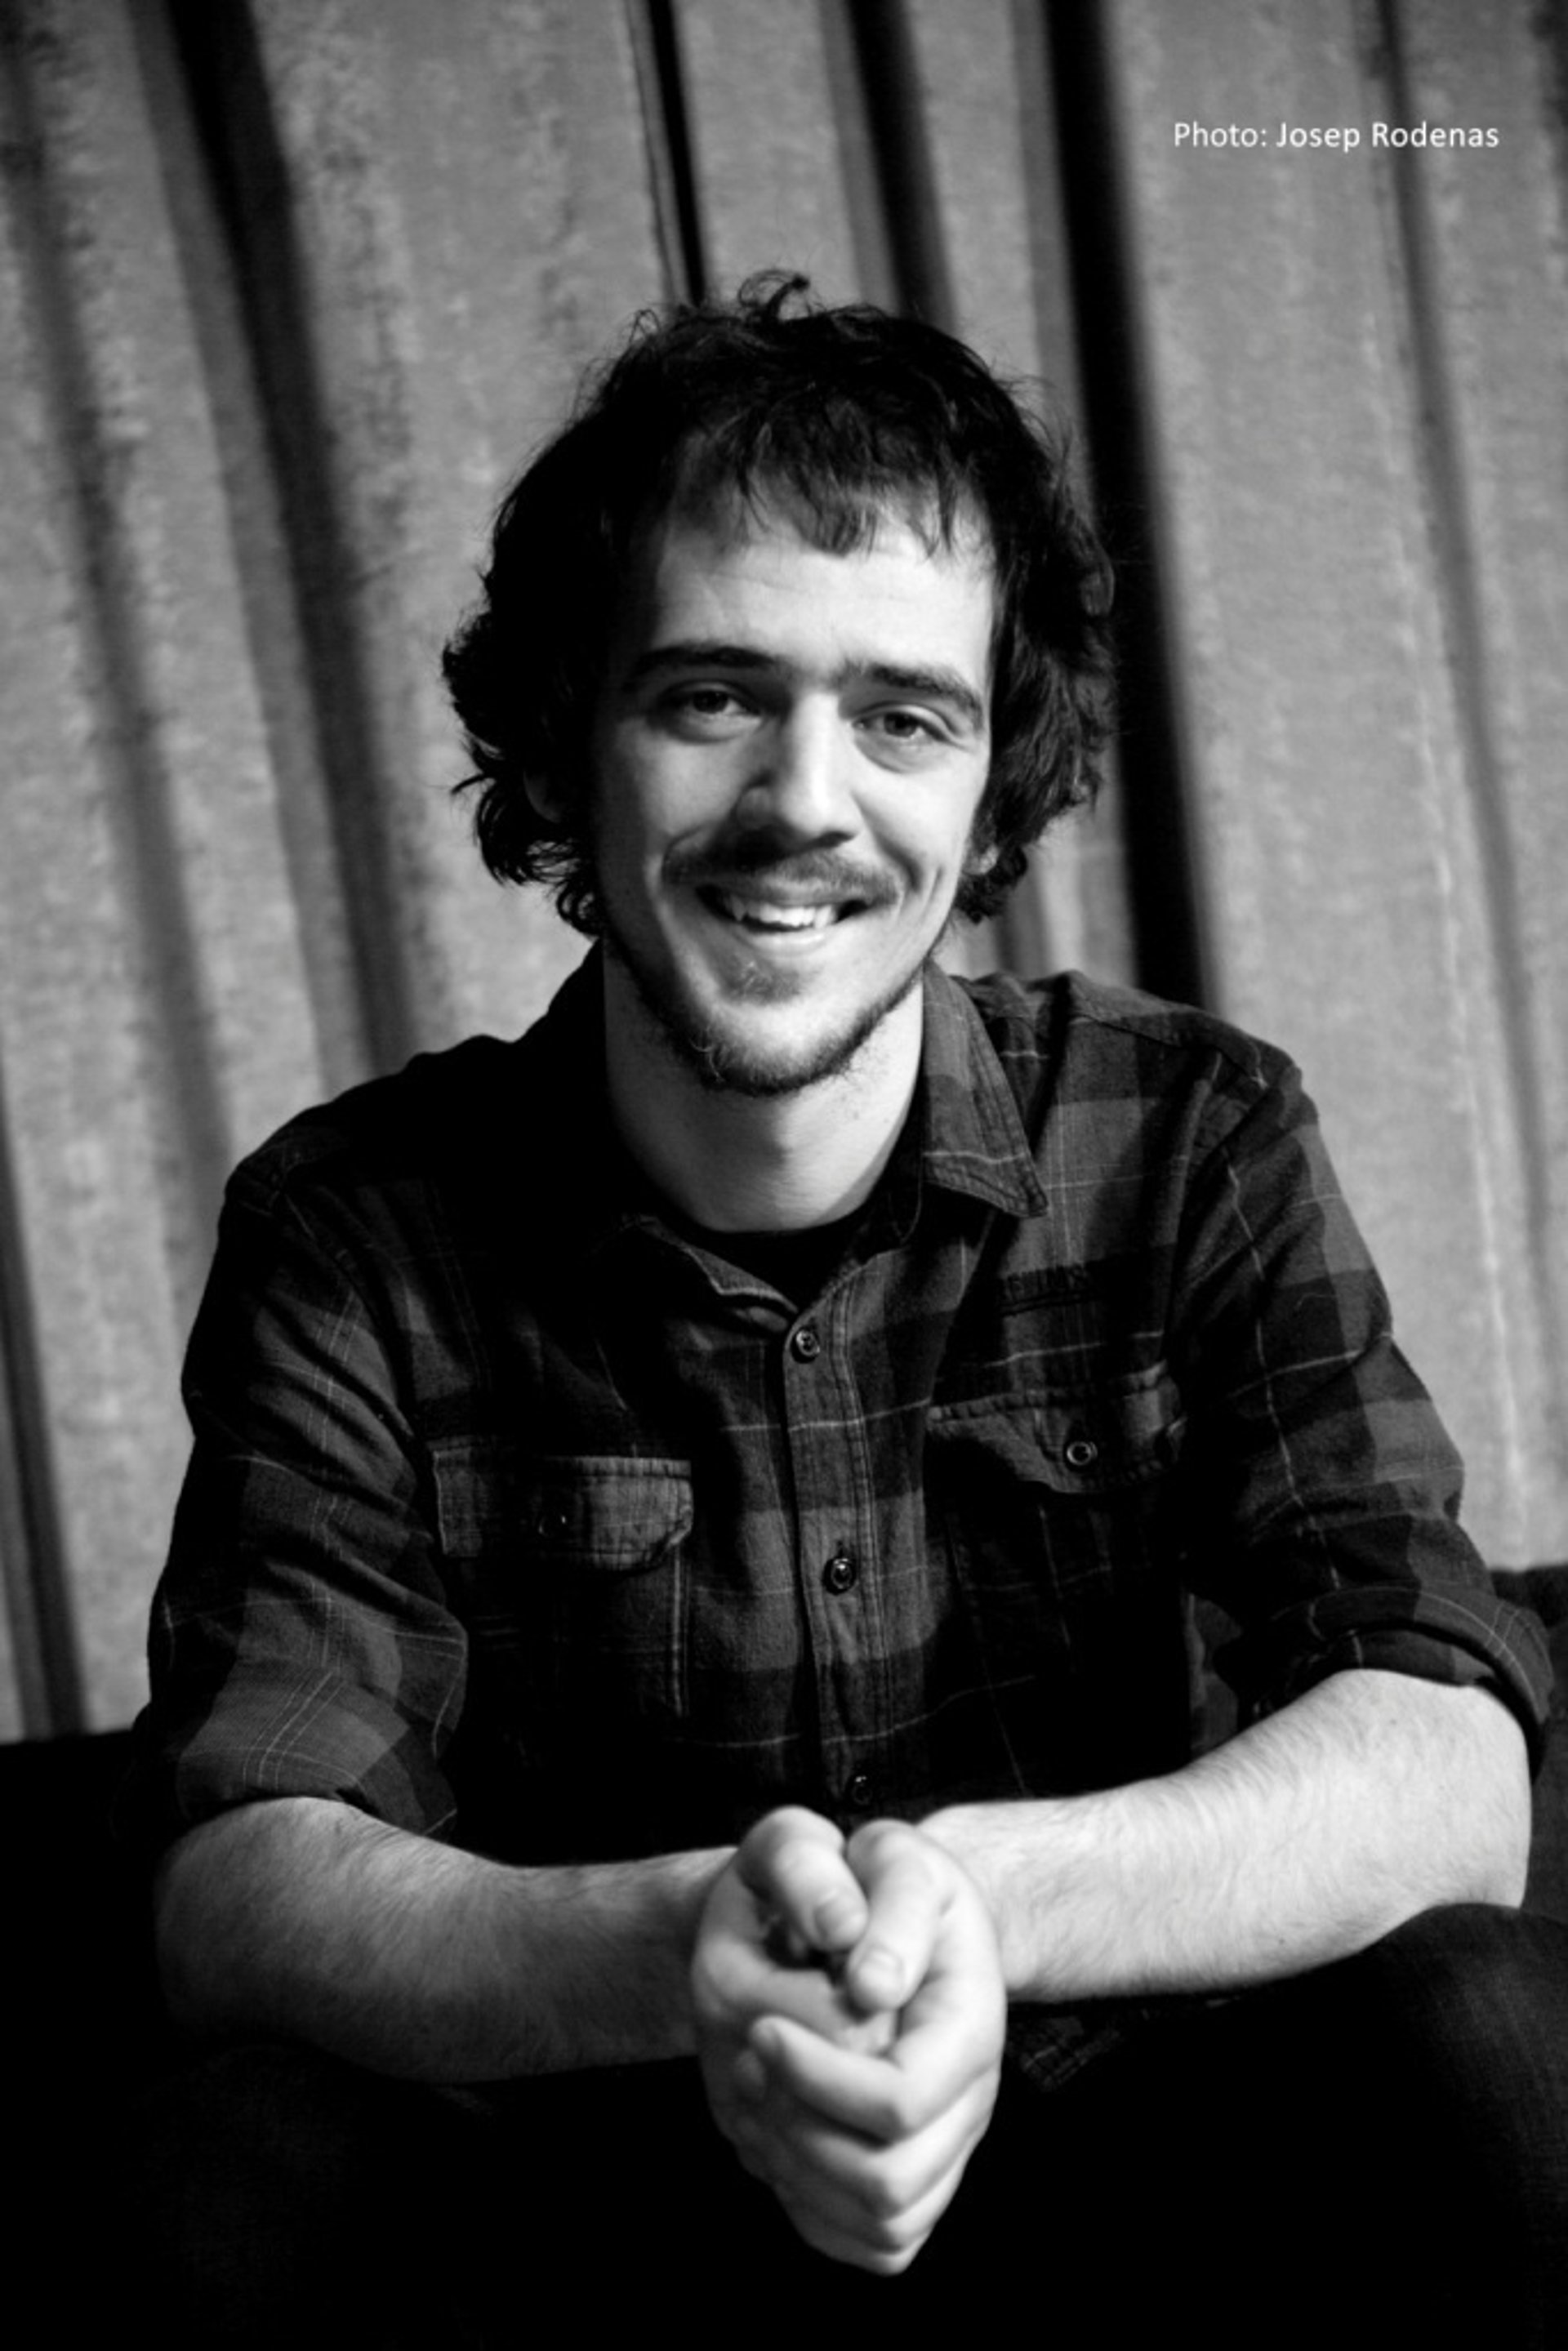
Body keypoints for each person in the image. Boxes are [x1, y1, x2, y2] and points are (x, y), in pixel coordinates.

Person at [124, 275, 1561, 2344]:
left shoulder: (1193, 1134)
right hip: (607, 2238)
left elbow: (1447, 1758)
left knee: (1495, 2033)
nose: (807, 799)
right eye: (714, 696)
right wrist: (693, 1947)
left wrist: (966, 1907)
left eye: (904, 716)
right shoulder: (355, 1234)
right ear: (571, 739)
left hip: (1138, 2195)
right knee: (222, 2168)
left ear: (991, 789)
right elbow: (243, 1880)